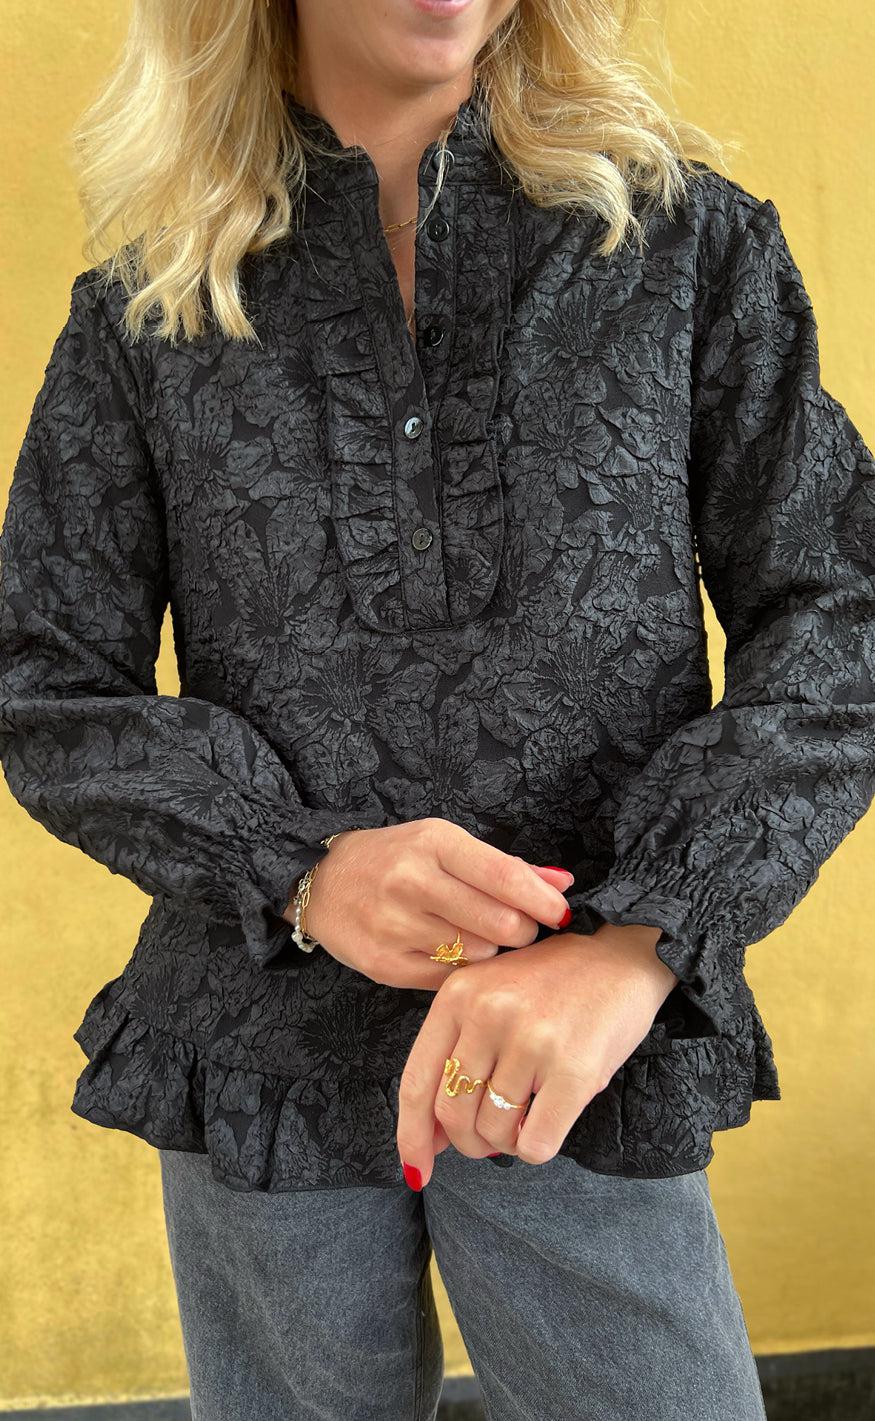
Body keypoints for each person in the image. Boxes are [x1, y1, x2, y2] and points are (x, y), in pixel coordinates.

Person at [2, 0, 873, 1417]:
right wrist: (298, 865)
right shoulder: (148, 310)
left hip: (576, 1049)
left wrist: (640, 943)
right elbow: (43, 679)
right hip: (263, 1054)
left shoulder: (683, 250)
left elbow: (842, 614)